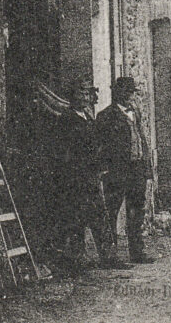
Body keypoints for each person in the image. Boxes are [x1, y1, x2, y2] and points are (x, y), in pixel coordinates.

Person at [39, 80, 123, 273]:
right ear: (72, 97)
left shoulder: (87, 116)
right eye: (80, 94)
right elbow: (64, 151)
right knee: (76, 219)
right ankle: (75, 260)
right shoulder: (66, 119)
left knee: (99, 217)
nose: (84, 98)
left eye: (86, 95)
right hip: (75, 177)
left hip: (91, 175)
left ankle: (107, 257)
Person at [96, 77, 155, 264]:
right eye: (127, 92)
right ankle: (110, 255)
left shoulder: (135, 113)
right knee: (112, 211)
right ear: (117, 93)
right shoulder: (105, 116)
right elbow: (100, 146)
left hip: (136, 169)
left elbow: (141, 139)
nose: (130, 96)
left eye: (132, 92)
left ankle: (137, 252)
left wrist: (147, 167)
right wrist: (104, 169)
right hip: (117, 171)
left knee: (136, 210)